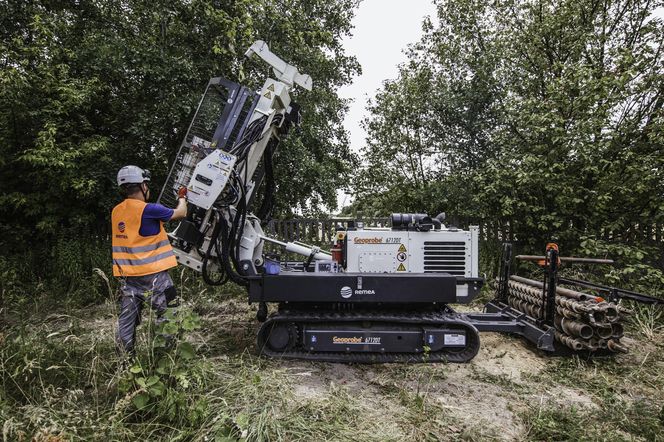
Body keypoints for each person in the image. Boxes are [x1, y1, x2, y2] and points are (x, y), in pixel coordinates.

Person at [111, 165, 187, 354]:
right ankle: (163, 356)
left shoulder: (117, 212)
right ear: (143, 186)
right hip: (153, 277)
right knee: (169, 311)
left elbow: (139, 233)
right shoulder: (149, 209)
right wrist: (182, 197)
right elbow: (181, 213)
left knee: (126, 320)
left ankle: (125, 358)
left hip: (128, 277)